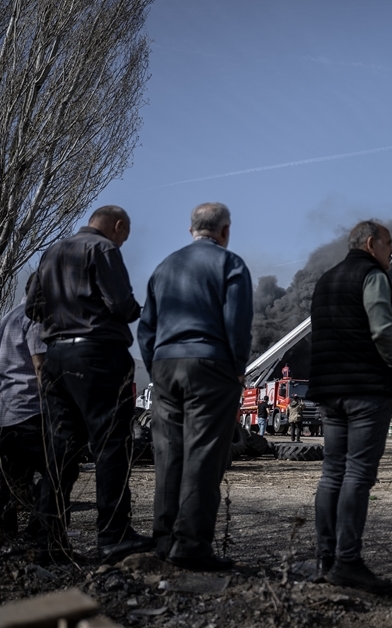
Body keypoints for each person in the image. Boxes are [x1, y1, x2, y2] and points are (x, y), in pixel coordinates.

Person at [25, 205, 153, 564]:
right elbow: (121, 304)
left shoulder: (52, 251)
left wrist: (62, 316)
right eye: (124, 236)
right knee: (111, 444)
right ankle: (114, 536)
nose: (123, 243)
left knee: (60, 450)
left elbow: (32, 308)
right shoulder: (103, 249)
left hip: (55, 357)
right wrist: (137, 310)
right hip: (97, 356)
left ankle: (49, 540)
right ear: (118, 225)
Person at [138, 203, 252, 571]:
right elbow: (237, 323)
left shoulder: (164, 267)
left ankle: (164, 540)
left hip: (165, 365)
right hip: (210, 365)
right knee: (203, 456)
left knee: (168, 454)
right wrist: (238, 369)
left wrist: (156, 366)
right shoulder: (231, 264)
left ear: (191, 230)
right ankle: (191, 547)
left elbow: (146, 327)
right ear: (225, 231)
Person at [308, 220, 392, 595]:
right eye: (388, 244)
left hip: (329, 390)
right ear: (370, 244)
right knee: (358, 474)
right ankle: (348, 562)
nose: (391, 251)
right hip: (366, 390)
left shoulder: (325, 280)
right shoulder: (372, 276)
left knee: (332, 473)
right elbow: (382, 329)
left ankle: (325, 559)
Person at [0, 292, 48, 538]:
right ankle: (39, 531)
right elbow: (40, 366)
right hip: (29, 410)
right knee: (56, 472)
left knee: (8, 480)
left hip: (4, 409)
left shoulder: (8, 317)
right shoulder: (36, 319)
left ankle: (0, 532)